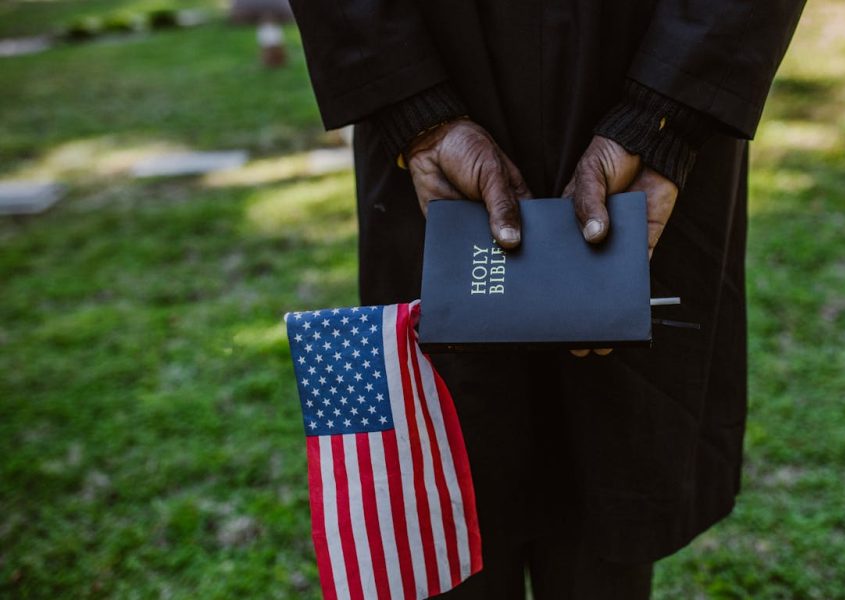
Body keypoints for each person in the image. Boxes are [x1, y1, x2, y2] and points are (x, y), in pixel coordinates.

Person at [287, 1, 805, 597]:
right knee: (449, 466)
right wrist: (414, 111)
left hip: (644, 86)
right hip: (434, 86)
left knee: (615, 463)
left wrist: (664, 118)